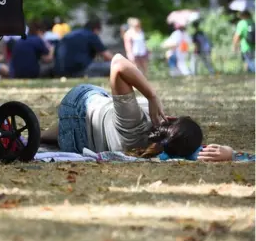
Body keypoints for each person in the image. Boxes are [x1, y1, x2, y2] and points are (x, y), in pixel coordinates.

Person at [39, 53, 235, 161]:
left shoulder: (136, 124)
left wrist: (152, 96)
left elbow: (117, 63)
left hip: (78, 105)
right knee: (103, 113)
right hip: (74, 142)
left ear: (172, 120)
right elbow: (190, 148)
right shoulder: (163, 150)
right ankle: (42, 136)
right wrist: (229, 153)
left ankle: (45, 134)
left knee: (103, 101)